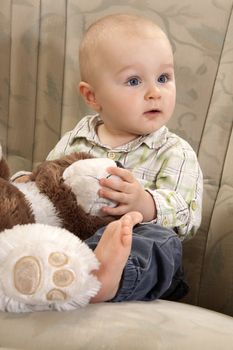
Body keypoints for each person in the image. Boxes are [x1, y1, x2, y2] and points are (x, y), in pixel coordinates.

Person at [15, 14, 203, 303]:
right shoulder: (75, 139)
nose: (155, 92)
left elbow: (188, 215)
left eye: (164, 78)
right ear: (92, 96)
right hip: (76, 238)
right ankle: (54, 270)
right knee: (36, 226)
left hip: (137, 246)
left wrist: (145, 204)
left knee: (160, 242)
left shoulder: (173, 150)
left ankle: (107, 278)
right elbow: (49, 184)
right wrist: (25, 184)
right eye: (134, 81)